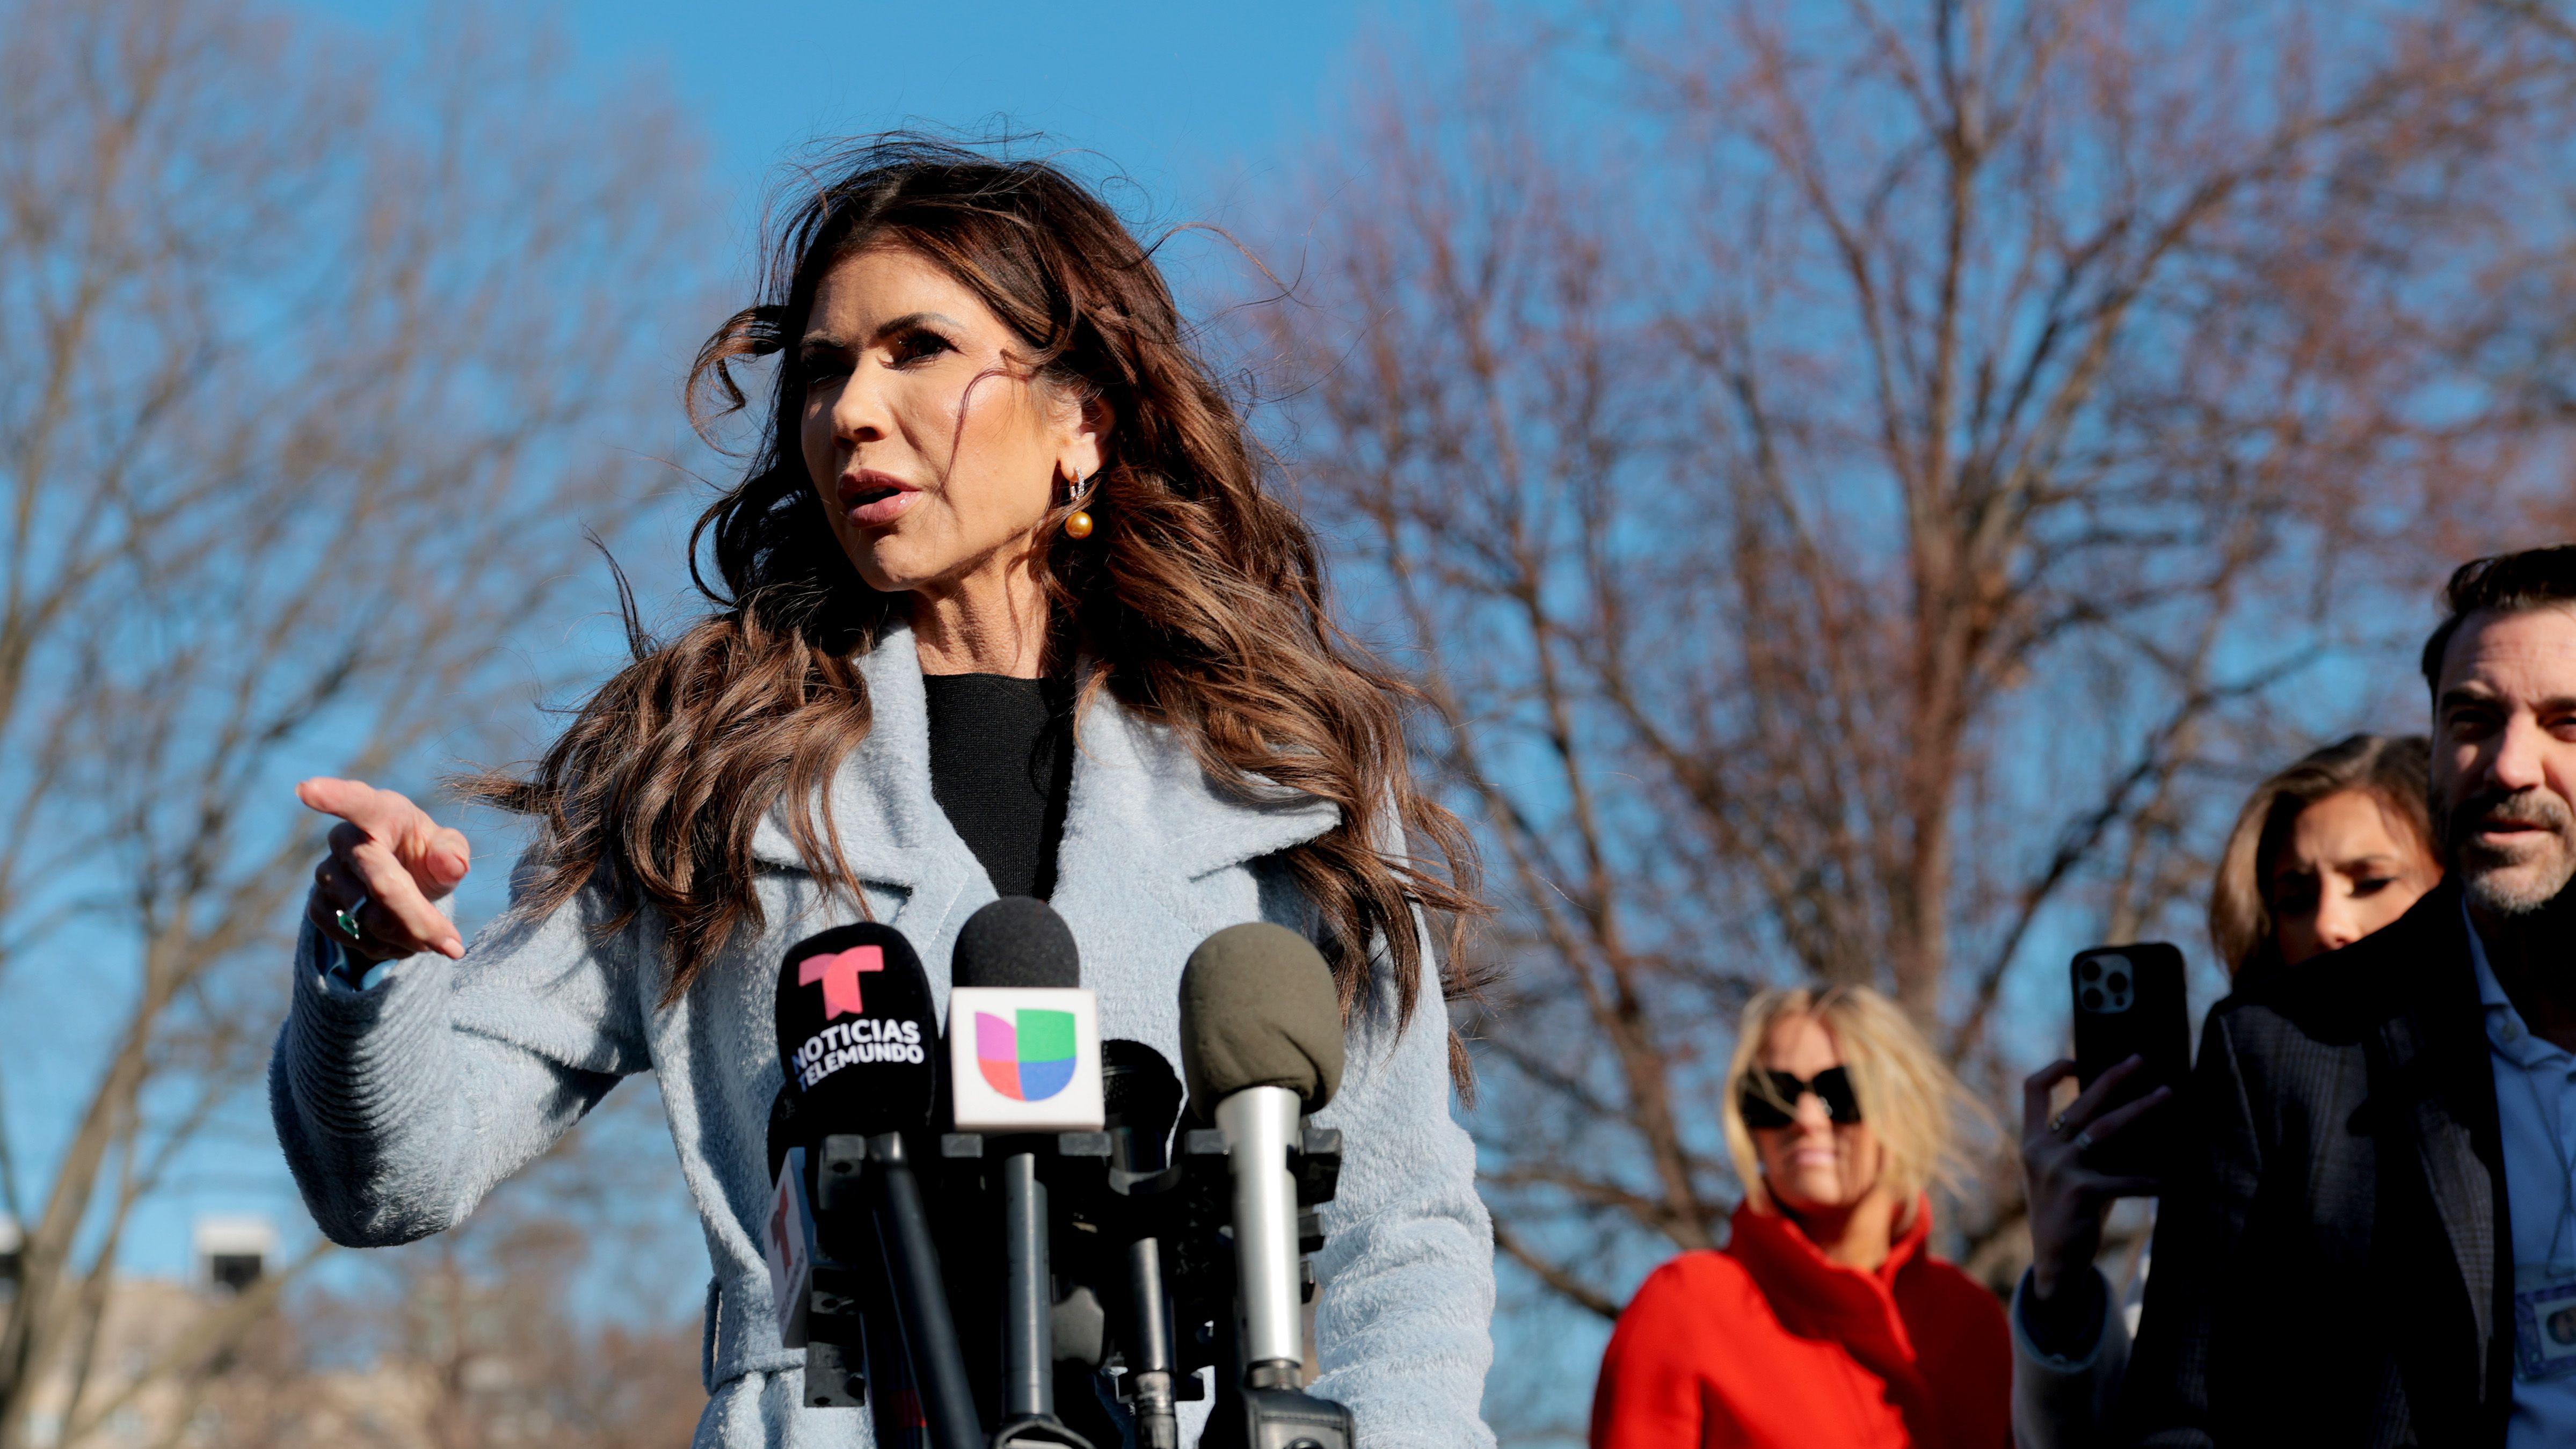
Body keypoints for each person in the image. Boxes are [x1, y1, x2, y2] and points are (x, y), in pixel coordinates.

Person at [267, 139, 1497, 1449]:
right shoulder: (703, 774)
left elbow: (1398, 1244)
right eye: (822, 367)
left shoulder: (1279, 796)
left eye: (915, 348)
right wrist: (366, 952)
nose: (851, 407)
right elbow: (393, 1173)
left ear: (1081, 417)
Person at [2120, 543, 2576, 1446]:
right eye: (2472, 718)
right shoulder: (2282, 1050)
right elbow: (2179, 1419)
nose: (2509, 764)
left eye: (2568, 722)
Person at [2007, 733, 2441, 1448]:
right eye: (2294, 897)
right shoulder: (2236, 1169)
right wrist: (2059, 1287)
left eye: (2370, 881)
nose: (2328, 922)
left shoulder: (2538, 1093)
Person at [1588, 985, 2009, 1449]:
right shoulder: (1684, 1307)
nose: (1805, 1118)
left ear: (1901, 1106)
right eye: (1775, 1095)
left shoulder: (1973, 1322)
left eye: (1841, 1090)